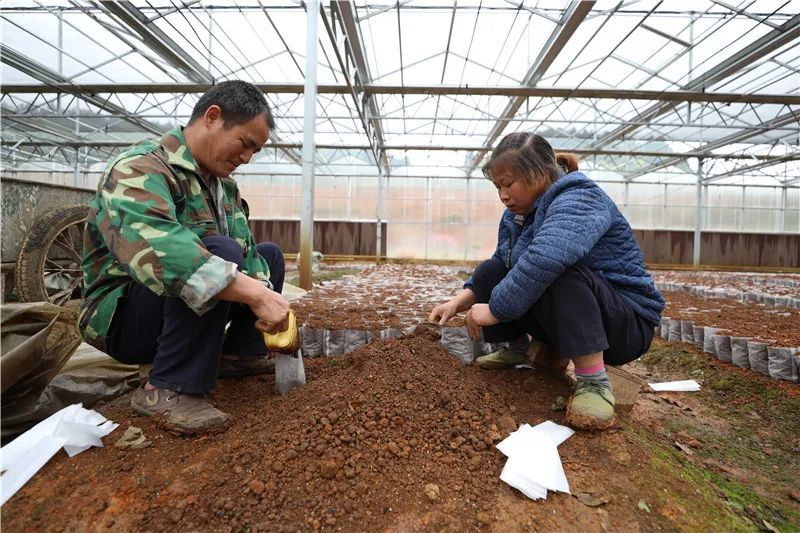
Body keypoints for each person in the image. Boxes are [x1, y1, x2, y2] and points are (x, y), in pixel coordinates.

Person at [79, 80, 290, 434]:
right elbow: (167, 256)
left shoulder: (223, 187)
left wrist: (270, 295)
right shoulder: (140, 168)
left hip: (170, 309)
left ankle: (237, 354)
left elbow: (249, 256)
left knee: (268, 255)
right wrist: (257, 294)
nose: (247, 158)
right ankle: (167, 388)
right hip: (122, 318)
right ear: (212, 117)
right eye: (246, 144)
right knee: (218, 252)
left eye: (256, 151)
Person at [429, 132, 664, 430]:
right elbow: (501, 263)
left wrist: (494, 310)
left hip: (624, 323)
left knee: (559, 270)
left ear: (539, 173)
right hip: (577, 319)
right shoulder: (517, 214)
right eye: (497, 186)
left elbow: (548, 257)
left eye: (508, 183)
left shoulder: (580, 197)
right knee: (494, 268)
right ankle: (516, 348)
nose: (503, 194)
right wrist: (459, 302)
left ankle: (593, 383)